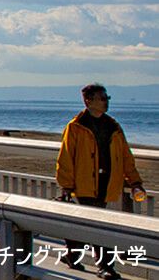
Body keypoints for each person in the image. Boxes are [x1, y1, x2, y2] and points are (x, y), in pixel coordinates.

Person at [56, 84, 144, 280]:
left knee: (85, 223)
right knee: (99, 224)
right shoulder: (76, 126)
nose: (106, 102)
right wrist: (66, 186)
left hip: (107, 183)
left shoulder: (113, 126)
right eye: (103, 98)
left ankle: (71, 255)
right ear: (88, 101)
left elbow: (126, 156)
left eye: (107, 98)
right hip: (83, 184)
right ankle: (105, 266)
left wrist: (135, 181)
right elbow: (66, 157)